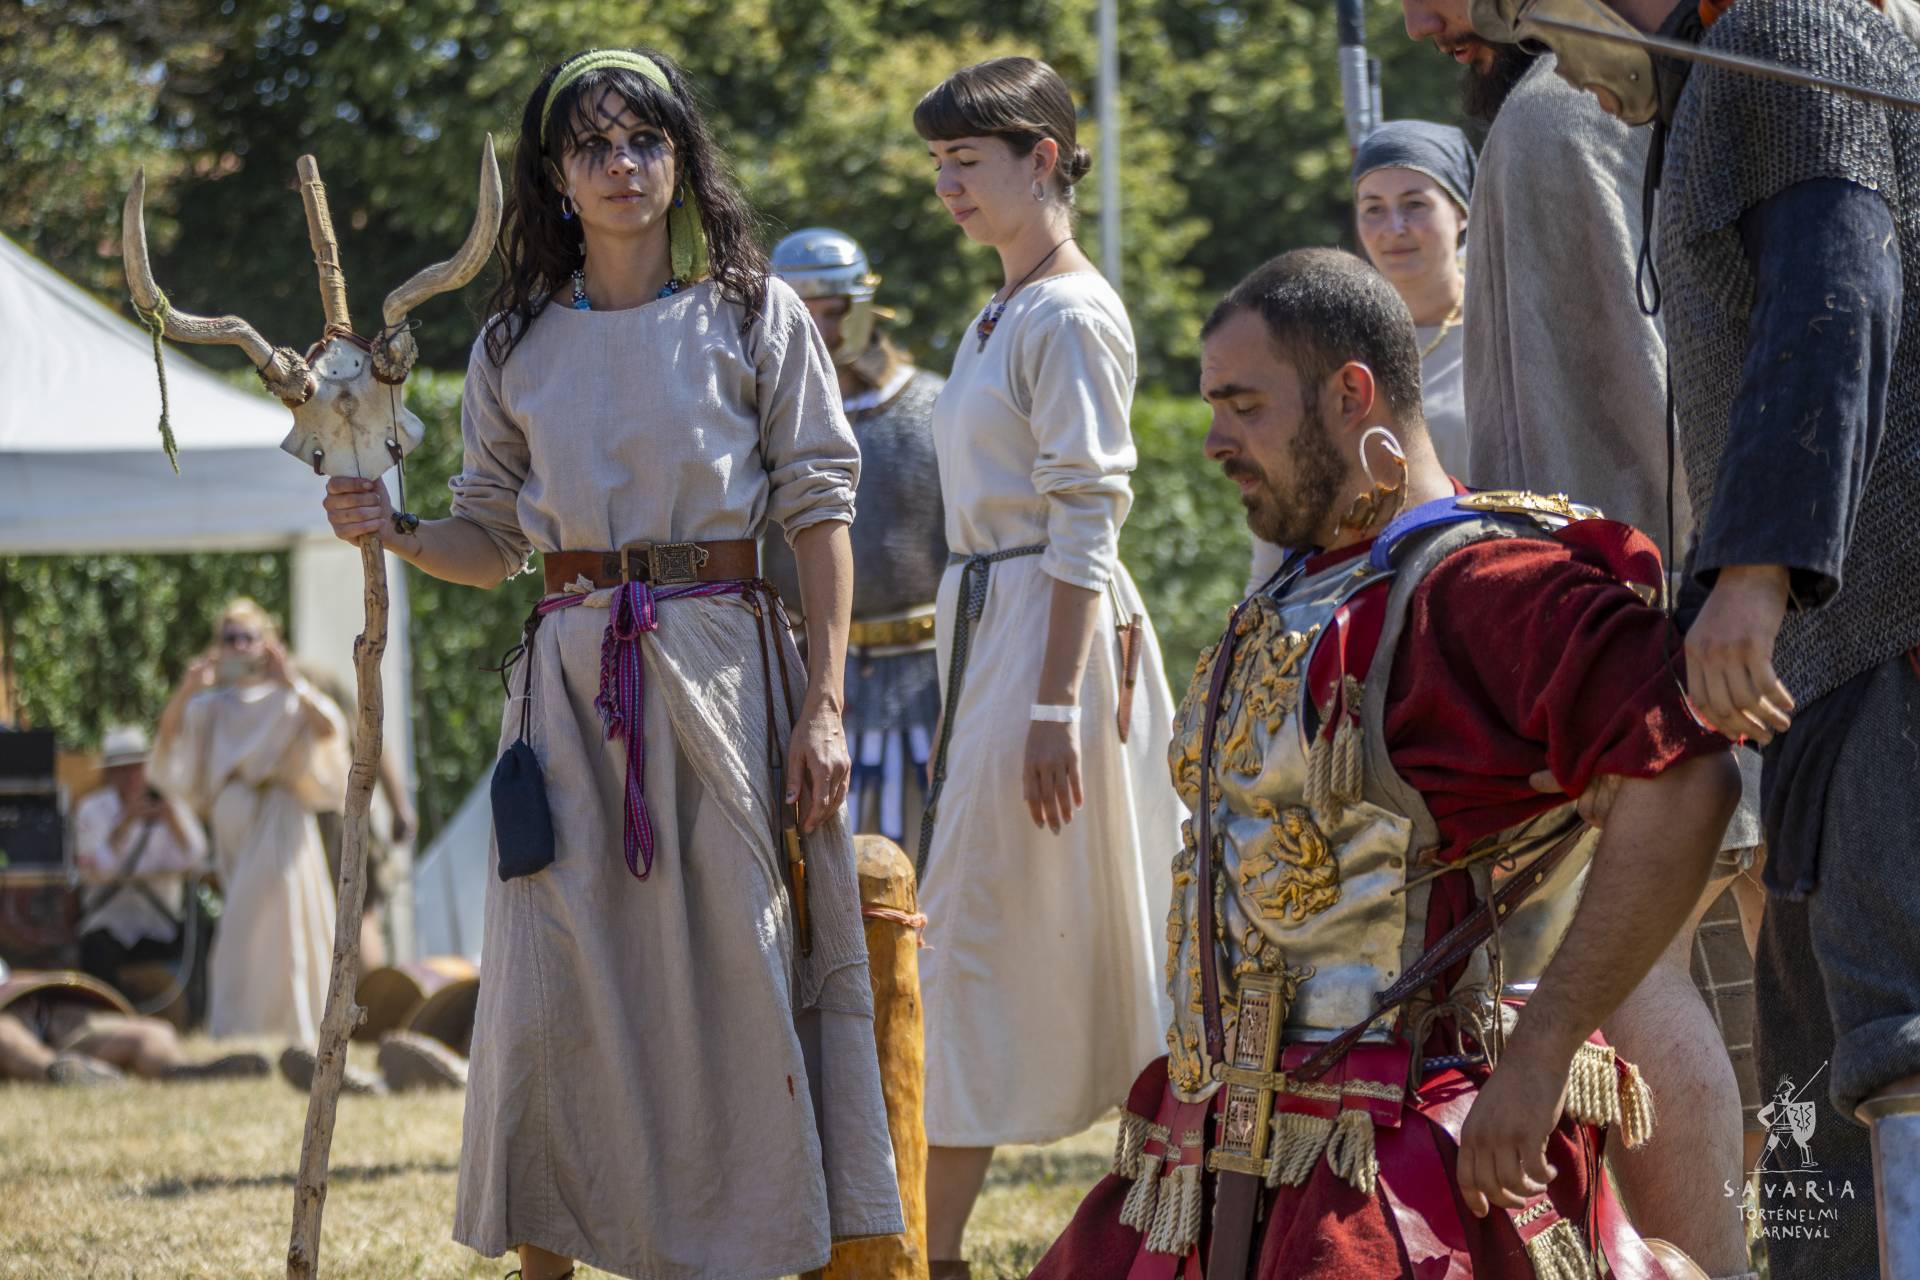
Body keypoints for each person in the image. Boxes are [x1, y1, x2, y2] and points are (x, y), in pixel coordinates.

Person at [1026, 247, 1741, 1280]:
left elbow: (1687, 775)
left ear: (1351, 393)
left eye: (1244, 405)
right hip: (1224, 1155)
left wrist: (1541, 1055)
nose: (1216, 440)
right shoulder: (1305, 581)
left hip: (1396, 1175)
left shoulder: (1486, 581)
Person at [321, 47, 901, 1280]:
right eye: (593, 145)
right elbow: (491, 538)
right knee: (561, 985)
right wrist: (399, 531)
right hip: (572, 692)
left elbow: (821, 511)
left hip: (728, 673)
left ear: (681, 160)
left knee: (740, 971)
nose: (622, 164)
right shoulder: (513, 342)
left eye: (645, 139)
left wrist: (826, 704)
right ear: (556, 176)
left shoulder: (753, 313)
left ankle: (750, 1247)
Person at [1497, 3, 1920, 1276]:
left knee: (1900, 1046)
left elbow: (1836, 292)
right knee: (1831, 1084)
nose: (1540, 48)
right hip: (1844, 664)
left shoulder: (1794, 29)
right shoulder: (1754, 57)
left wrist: (1758, 566)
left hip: (1891, 652)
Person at [1399, 6, 1769, 1271]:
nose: (1424, 23)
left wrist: (1594, 649)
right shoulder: (1613, 100)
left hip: (1661, 624)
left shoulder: (1555, 119)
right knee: (1799, 972)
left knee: (1636, 977)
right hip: (1729, 597)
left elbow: (1637, 395)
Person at [910, 57, 1182, 1279]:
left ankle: (933, 1248)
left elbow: (1086, 517)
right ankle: (935, 1243)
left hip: (1045, 638)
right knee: (986, 929)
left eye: (968, 161)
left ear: (1046, 159)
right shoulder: (1001, 310)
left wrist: (1051, 699)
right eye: (939, 164)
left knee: (978, 933)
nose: (949, 185)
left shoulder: (1069, 313)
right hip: (997, 628)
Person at [763, 227, 947, 851]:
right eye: (801, 313)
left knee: (924, 867)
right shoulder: (759, 421)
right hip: (801, 683)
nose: (820, 330)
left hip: (923, 683)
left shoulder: (936, 409)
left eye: (835, 311)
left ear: (865, 308)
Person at [1249, 119, 1477, 592]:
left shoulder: (1500, 332)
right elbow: (1288, 488)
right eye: (1374, 208)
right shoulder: (1327, 342)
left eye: (1415, 204)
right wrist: (1263, 602)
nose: (1394, 228)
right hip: (1354, 599)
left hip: (1480, 582)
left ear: (1461, 211)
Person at [150, 598, 347, 1047]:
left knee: (275, 922)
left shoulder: (290, 697)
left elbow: (332, 732)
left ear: (267, 642)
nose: (239, 646)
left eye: (248, 637)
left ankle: (278, 1026)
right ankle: (245, 1025)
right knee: (248, 920)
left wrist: (291, 680)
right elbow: (169, 741)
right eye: (230, 638)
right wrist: (187, 688)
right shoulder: (209, 705)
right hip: (233, 824)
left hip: (280, 816)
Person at [72, 725, 207, 997]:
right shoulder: (91, 809)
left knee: (204, 938)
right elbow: (97, 867)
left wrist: (171, 819)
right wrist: (126, 823)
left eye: (136, 767)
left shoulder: (169, 803)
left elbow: (196, 858)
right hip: (108, 923)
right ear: (110, 774)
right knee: (96, 954)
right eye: (122, 770)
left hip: (158, 924)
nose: (131, 776)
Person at [0, 965, 266, 1086]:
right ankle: (61, 1073)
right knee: (6, 1035)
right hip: (7, 1017)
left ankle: (183, 1071)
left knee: (149, 1034)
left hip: (40, 1001)